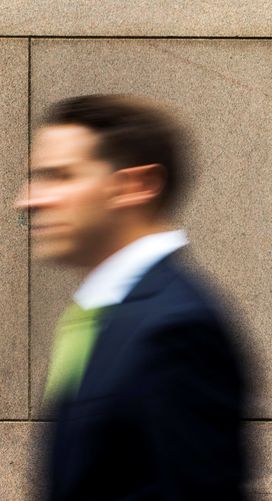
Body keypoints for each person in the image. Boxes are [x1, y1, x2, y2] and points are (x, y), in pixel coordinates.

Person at [15, 94, 248, 500]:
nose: (29, 200)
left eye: (60, 176)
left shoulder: (178, 329)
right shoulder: (109, 313)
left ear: (135, 186)